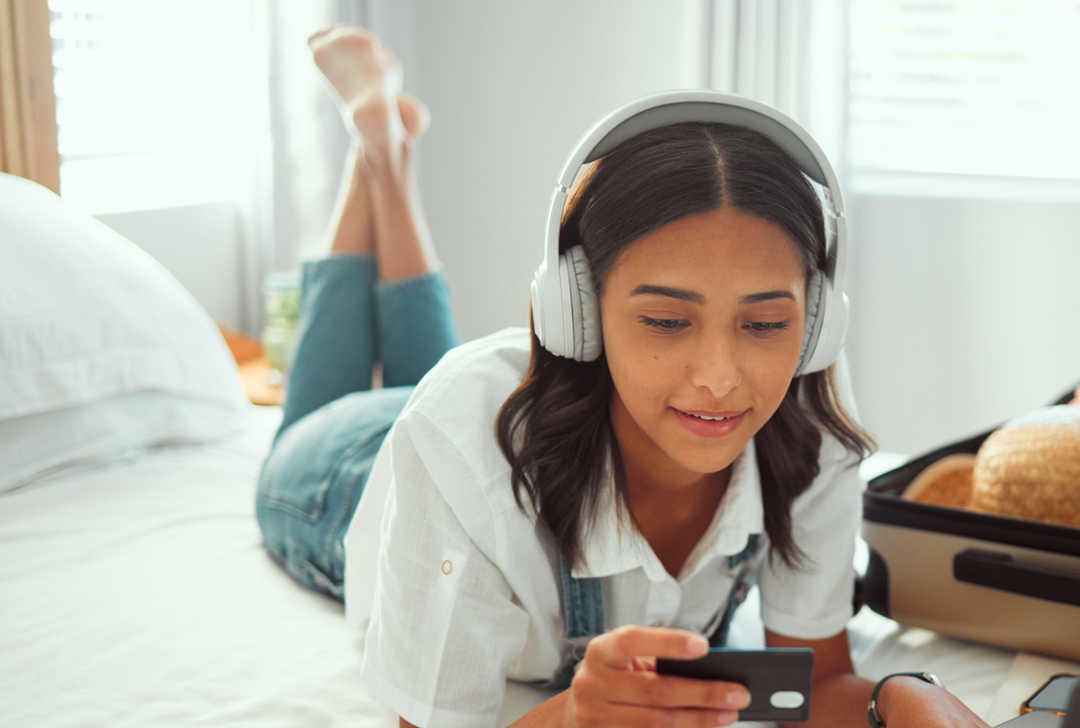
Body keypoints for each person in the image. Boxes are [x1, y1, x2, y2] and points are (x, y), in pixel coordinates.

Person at [255, 24, 993, 728]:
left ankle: (383, 148)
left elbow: (816, 678)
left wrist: (896, 697)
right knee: (333, 402)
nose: (719, 379)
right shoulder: (459, 438)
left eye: (765, 325)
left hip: (475, 418)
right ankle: (375, 154)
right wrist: (573, 713)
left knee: (430, 373)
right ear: (578, 311)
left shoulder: (809, 426)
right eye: (667, 322)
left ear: (817, 324)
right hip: (336, 477)